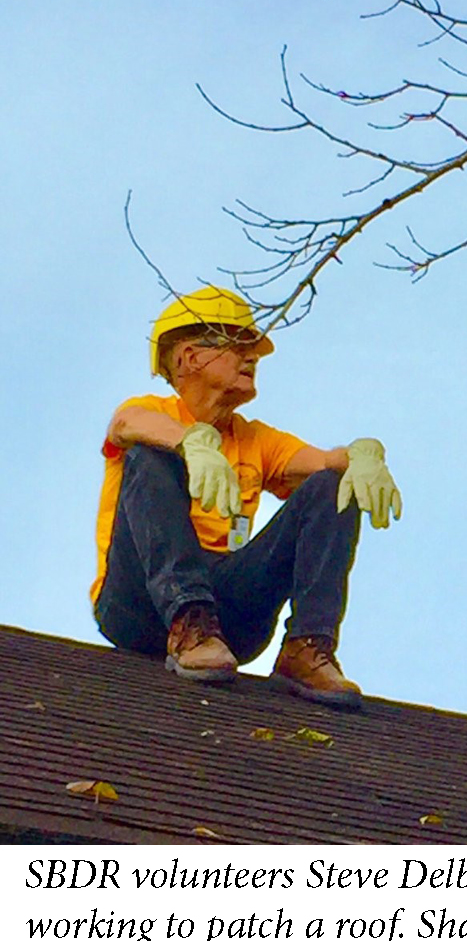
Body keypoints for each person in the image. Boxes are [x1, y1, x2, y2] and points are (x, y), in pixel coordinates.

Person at [91, 285, 401, 710]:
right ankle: (188, 622)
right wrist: (191, 443)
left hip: (229, 617)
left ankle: (307, 647)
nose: (252, 357)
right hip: (139, 604)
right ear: (189, 357)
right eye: (237, 345)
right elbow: (125, 423)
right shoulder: (152, 412)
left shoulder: (255, 439)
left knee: (335, 483)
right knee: (148, 455)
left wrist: (364, 455)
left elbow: (327, 462)